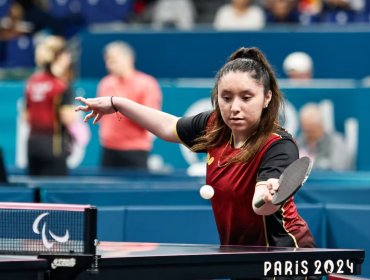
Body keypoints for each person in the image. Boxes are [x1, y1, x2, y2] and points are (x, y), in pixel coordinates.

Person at [76, 46, 319, 258]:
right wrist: (118, 103)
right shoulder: (215, 126)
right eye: (226, 97)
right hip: (240, 253)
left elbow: (261, 206)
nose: (234, 107)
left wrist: (268, 197)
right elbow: (168, 126)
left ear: (266, 98)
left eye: (246, 97)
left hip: (285, 254)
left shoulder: (278, 145)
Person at [24, 35, 88, 176]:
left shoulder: (32, 82)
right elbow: (66, 117)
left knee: (33, 195)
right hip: (54, 146)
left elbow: (26, 116)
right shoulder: (60, 86)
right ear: (60, 57)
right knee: (53, 193)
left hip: (32, 145)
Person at [96, 41, 162, 170]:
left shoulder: (147, 84)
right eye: (107, 60)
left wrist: (123, 106)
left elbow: (152, 118)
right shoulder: (105, 83)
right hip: (108, 149)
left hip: (135, 150)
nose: (109, 65)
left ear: (128, 59)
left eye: (114, 60)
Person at [296, 102, 351, 170]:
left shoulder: (336, 142)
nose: (307, 134)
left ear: (320, 126)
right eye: (305, 130)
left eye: (311, 130)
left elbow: (339, 169)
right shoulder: (299, 142)